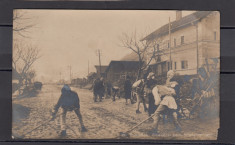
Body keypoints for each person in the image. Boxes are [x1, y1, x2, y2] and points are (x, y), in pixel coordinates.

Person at [148, 70, 182, 135]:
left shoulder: (174, 84)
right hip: (170, 100)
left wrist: (167, 92)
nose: (168, 76)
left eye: (169, 75)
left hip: (168, 100)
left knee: (157, 113)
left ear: (172, 75)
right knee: (172, 115)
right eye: (168, 75)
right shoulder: (169, 83)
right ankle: (178, 127)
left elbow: (175, 93)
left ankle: (154, 130)